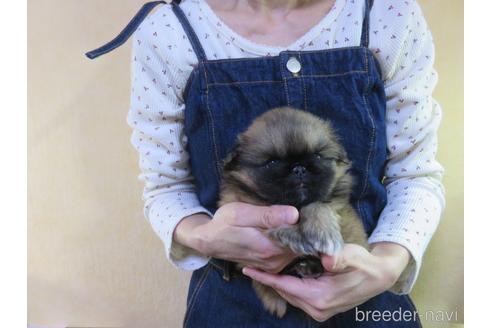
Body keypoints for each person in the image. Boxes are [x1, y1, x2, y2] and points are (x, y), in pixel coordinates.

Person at [86, 0, 445, 326]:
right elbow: (165, 188)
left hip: (368, 300)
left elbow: (416, 173)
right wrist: (202, 235)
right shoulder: (170, 31)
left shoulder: (386, 14)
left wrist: (388, 263)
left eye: (317, 158)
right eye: (273, 163)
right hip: (235, 307)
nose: (299, 172)